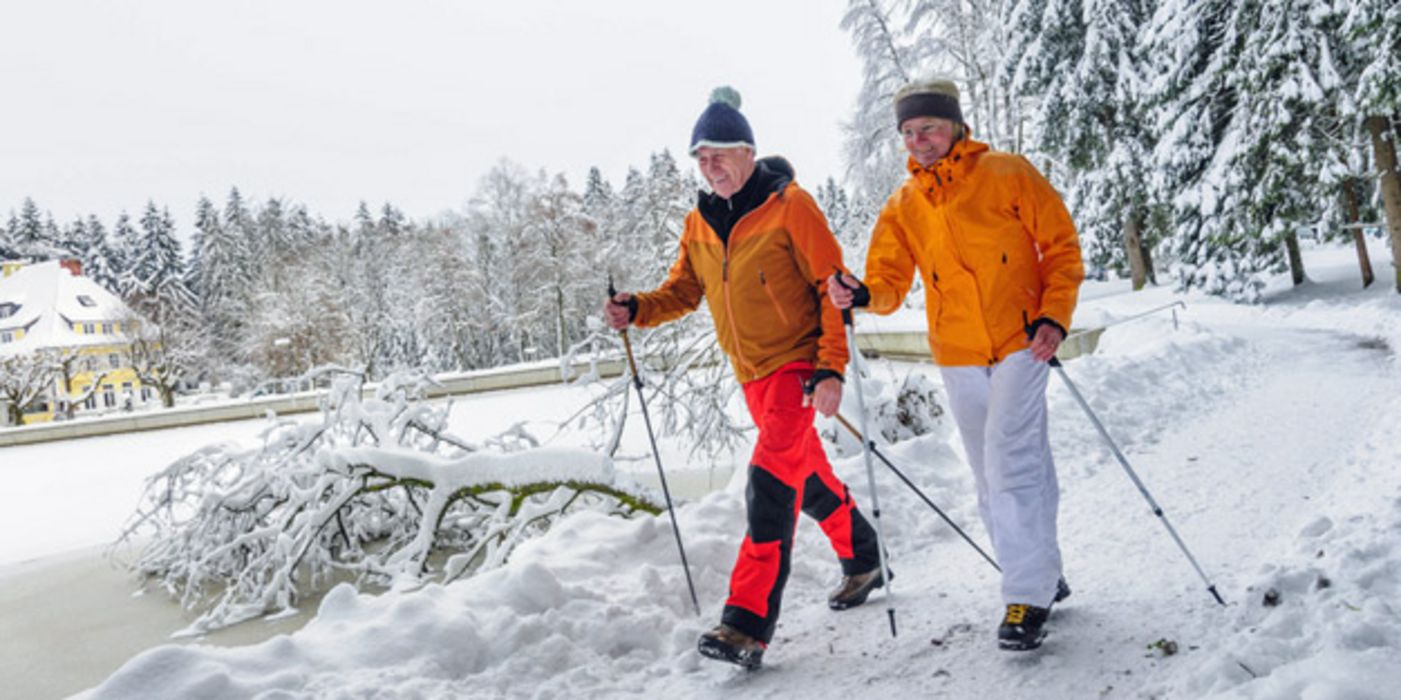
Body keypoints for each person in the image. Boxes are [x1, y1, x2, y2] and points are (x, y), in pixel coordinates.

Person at [604, 87, 884, 669]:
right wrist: (639, 309)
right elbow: (684, 291)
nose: (711, 168)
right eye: (701, 159)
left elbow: (834, 291)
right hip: (751, 376)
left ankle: (746, 622)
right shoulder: (700, 222)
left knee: (768, 486)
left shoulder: (791, 206)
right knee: (806, 478)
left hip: (797, 370)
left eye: (721, 154)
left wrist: (831, 368)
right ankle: (863, 556)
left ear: (749, 152)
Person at [827, 77, 1084, 651]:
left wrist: (1053, 316)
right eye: (909, 132)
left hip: (1023, 340)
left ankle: (1025, 596)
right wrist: (859, 293)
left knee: (1010, 461)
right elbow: (889, 284)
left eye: (929, 128)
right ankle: (1041, 571)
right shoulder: (903, 205)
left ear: (955, 126)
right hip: (959, 351)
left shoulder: (1008, 173)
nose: (919, 141)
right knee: (993, 469)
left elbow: (1062, 248)